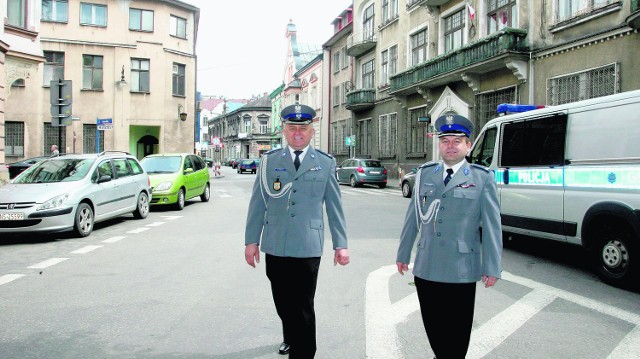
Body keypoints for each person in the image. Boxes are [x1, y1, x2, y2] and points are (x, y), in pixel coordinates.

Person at [245, 103, 350, 358]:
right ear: (284, 130)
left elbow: (334, 207)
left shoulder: (324, 163)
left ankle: (303, 351)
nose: (298, 133)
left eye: (303, 128)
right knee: (283, 302)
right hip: (276, 243)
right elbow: (258, 204)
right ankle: (290, 335)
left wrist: (341, 244)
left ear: (312, 130)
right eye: (292, 128)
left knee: (303, 305)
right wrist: (251, 241)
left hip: (307, 245)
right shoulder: (270, 161)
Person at [396, 114, 502, 359]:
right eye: (445, 140)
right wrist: (403, 254)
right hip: (427, 266)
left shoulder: (481, 178)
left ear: (468, 145)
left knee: (457, 334)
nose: (451, 145)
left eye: (457, 140)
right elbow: (412, 218)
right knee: (433, 328)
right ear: (439, 144)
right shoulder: (424, 174)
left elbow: (492, 227)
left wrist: (492, 266)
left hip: (461, 269)